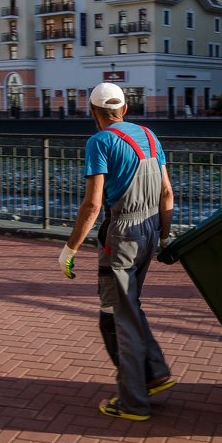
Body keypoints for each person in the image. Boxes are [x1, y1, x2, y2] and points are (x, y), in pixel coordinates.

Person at [59, 82, 176, 420]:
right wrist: (165, 238)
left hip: (120, 235)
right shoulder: (150, 137)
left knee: (117, 317)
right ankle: (154, 372)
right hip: (151, 230)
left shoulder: (99, 141)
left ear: (93, 113)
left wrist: (69, 249)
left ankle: (133, 402)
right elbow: (166, 193)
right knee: (128, 306)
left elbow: (93, 205)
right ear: (124, 109)